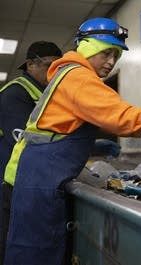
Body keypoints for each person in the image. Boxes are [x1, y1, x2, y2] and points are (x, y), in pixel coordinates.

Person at [2, 17, 141, 265]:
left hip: (36, 175)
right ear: (89, 47)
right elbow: (119, 117)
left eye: (116, 55)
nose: (111, 62)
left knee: (35, 249)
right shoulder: (78, 77)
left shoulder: (69, 75)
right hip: (38, 180)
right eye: (106, 53)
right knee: (36, 253)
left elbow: (96, 117)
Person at [0, 41, 62, 264]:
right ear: (30, 64)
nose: (53, 73)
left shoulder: (42, 94)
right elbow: (29, 140)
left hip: (27, 180)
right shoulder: (15, 94)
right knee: (9, 242)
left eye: (59, 68)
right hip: (8, 181)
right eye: (49, 66)